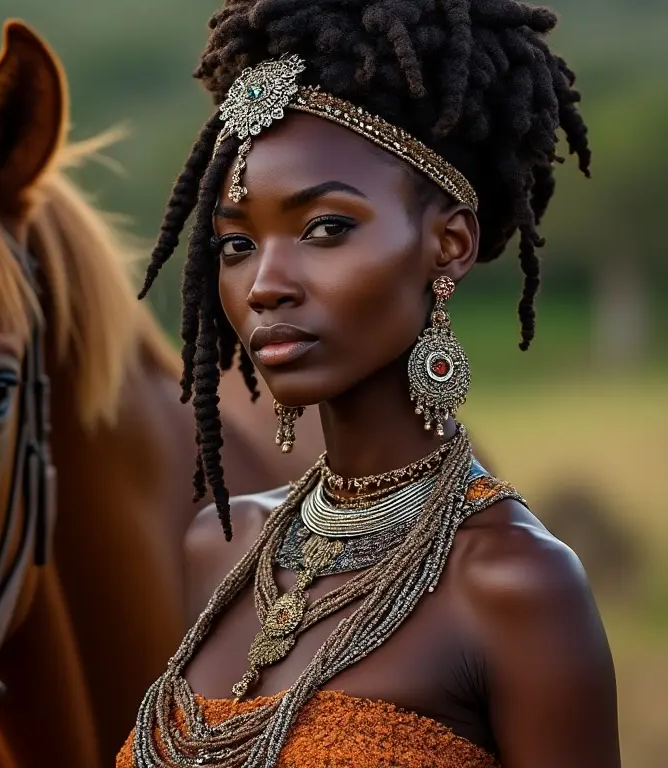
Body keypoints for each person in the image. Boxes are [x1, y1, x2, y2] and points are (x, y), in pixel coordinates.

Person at [120, 1, 620, 766]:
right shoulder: (217, 552)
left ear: (449, 243)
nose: (265, 285)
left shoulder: (514, 583)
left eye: (325, 228)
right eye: (236, 243)